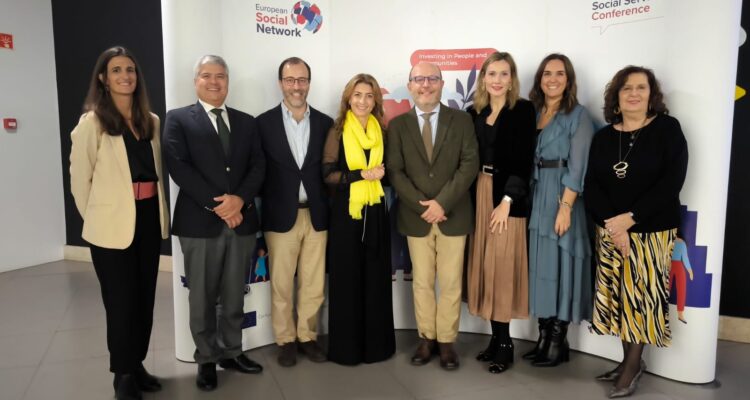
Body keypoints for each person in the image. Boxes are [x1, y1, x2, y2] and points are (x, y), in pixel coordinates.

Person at [70, 46, 169, 400]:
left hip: (145, 220)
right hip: (110, 226)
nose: (125, 76)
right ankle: (122, 375)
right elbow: (80, 182)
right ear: (103, 78)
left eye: (130, 69)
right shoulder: (93, 122)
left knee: (144, 299)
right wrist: (98, 219)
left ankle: (137, 364)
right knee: (121, 302)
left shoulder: (151, 121)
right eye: (116, 70)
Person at [162, 55, 266, 391]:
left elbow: (258, 167)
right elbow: (180, 169)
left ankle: (231, 352)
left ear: (228, 81)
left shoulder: (247, 122)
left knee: (235, 294)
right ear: (196, 81)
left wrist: (241, 201)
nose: (214, 82)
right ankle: (206, 359)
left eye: (220, 76)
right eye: (206, 75)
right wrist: (220, 205)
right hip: (199, 224)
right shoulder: (177, 119)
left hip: (242, 221)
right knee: (202, 297)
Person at [585, 66, 688, 398]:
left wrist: (631, 218)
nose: (633, 93)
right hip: (611, 231)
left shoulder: (667, 129)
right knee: (619, 299)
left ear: (651, 94)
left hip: (652, 231)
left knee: (640, 298)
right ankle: (628, 359)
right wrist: (613, 226)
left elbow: (671, 182)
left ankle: (632, 366)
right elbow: (593, 186)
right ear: (616, 97)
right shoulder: (604, 137)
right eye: (626, 88)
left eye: (641, 88)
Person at [387, 62, 479, 370]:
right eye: (418, 79)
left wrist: (442, 202)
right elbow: (396, 172)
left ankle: (446, 341)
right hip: (417, 217)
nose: (425, 85)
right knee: (422, 282)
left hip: (454, 214)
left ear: (441, 84)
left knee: (451, 282)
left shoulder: (462, 120)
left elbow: (469, 164)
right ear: (410, 85)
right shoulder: (398, 126)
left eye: (431, 79)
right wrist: (422, 205)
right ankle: (427, 338)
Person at [257, 57, 333, 367]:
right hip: (280, 216)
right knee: (282, 283)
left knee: (314, 284)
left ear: (309, 83)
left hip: (316, 215)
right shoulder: (262, 124)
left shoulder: (327, 123)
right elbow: (258, 174)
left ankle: (307, 337)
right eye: (290, 80)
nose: (296, 86)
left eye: (302, 80)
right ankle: (286, 340)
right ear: (280, 83)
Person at [465, 52, 536, 374]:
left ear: (512, 79)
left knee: (502, 267)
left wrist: (508, 199)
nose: (496, 80)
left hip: (507, 195)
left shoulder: (522, 110)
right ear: (483, 78)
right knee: (485, 263)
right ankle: (494, 339)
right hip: (479, 191)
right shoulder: (473, 112)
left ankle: (506, 343)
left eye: (503, 74)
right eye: (491, 73)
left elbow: (524, 158)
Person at [525, 53, 596, 367]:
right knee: (542, 266)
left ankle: (557, 340)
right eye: (547, 73)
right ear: (540, 79)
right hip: (537, 192)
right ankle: (543, 336)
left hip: (562, 195)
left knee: (562, 264)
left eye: (559, 74)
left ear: (569, 80)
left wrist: (566, 206)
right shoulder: (534, 112)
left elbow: (579, 164)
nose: (552, 79)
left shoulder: (578, 115)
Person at [323, 73, 396, 365]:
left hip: (376, 210)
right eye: (357, 95)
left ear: (375, 99)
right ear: (348, 99)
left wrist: (380, 174)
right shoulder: (338, 130)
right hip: (347, 214)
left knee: (375, 278)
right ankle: (347, 349)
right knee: (347, 279)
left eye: (368, 96)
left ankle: (377, 348)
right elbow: (327, 174)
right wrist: (360, 176)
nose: (363, 101)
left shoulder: (382, 130)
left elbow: (390, 171)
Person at [670, 229, 693, 323]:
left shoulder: (679, 242)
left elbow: (685, 258)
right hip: (670, 265)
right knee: (667, 288)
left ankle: (680, 314)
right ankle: (665, 311)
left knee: (681, 289)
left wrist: (690, 271)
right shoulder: (670, 241)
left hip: (677, 265)